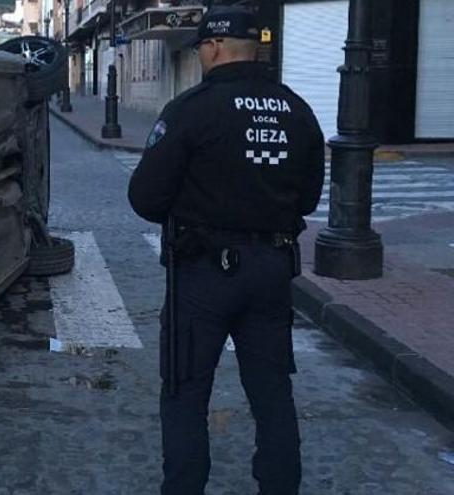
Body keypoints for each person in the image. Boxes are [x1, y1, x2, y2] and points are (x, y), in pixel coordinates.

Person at [127, 5, 325, 495]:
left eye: (200, 49)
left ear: (213, 47)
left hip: (203, 273)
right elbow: (309, 198)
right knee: (273, 395)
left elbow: (145, 197)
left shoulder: (191, 110)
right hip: (271, 271)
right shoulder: (297, 110)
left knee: (186, 394)